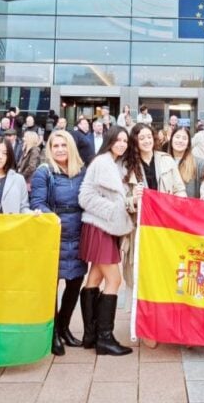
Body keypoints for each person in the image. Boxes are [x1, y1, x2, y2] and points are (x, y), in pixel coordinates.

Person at [78, 126, 136, 356]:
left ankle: (90, 335)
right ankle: (105, 338)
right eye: (118, 140)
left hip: (104, 226)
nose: (122, 144)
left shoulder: (114, 164)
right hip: (100, 225)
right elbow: (85, 196)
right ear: (109, 140)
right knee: (115, 279)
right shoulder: (102, 162)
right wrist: (114, 210)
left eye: (125, 141)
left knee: (95, 276)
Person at [31, 131, 89, 356]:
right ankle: (53, 332)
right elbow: (37, 202)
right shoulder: (44, 173)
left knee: (75, 283)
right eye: (55, 146)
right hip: (55, 233)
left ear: (71, 147)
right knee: (52, 286)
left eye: (64, 145)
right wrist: (53, 218)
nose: (60, 149)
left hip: (79, 232)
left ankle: (65, 328)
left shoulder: (81, 172)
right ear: (50, 149)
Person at [121, 123, 187, 293]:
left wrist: (175, 205)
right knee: (141, 272)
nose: (146, 141)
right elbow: (121, 200)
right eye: (141, 138)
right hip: (139, 226)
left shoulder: (166, 160)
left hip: (165, 225)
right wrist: (133, 199)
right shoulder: (126, 166)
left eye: (149, 136)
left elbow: (180, 190)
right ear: (134, 141)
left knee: (164, 267)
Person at [166, 126, 204, 199]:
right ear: (171, 140)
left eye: (184, 138)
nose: (180, 141)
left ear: (188, 144)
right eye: (177, 137)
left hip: (190, 208)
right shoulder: (163, 162)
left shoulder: (200, 164)